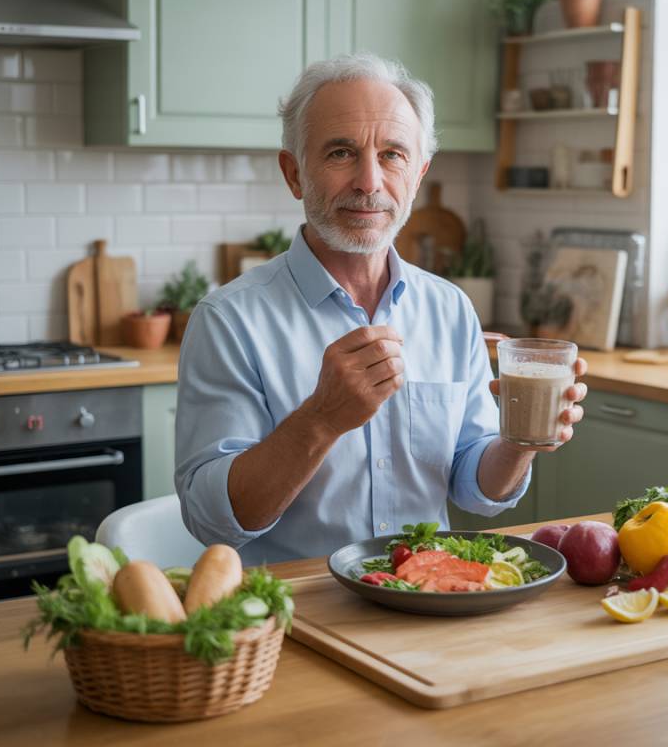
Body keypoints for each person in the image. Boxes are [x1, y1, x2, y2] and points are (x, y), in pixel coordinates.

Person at [174, 53, 588, 563]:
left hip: (427, 600)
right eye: (341, 153)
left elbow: (474, 488)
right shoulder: (229, 321)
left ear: (417, 175)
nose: (369, 182)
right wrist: (321, 420)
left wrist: (522, 440)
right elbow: (210, 518)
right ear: (294, 173)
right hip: (297, 613)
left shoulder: (450, 309)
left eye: (393, 154)